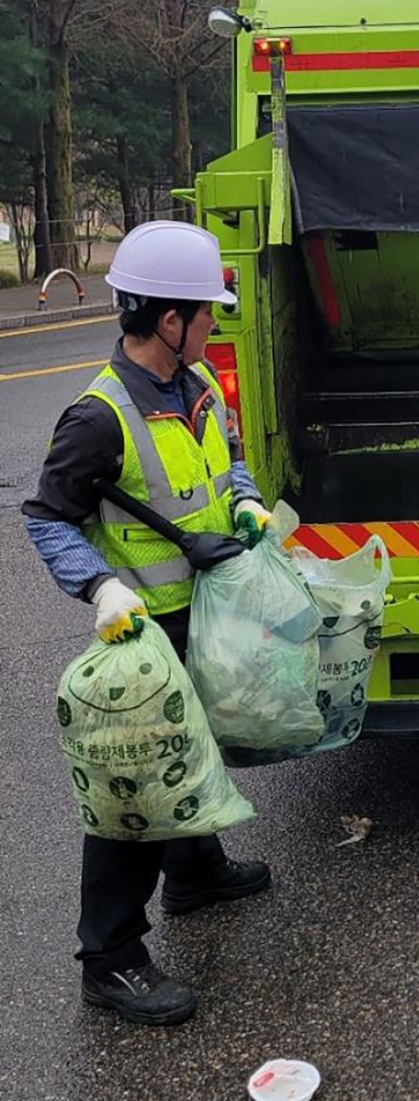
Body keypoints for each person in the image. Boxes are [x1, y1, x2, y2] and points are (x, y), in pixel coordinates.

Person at [22, 220, 273, 1028]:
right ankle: (111, 957)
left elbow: (224, 456)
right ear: (168, 321)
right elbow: (47, 517)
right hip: (140, 632)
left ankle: (196, 869)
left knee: (190, 748)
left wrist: (241, 498)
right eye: (206, 313)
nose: (213, 323)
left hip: (196, 610)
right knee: (130, 787)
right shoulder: (97, 417)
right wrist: (99, 588)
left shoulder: (195, 386)